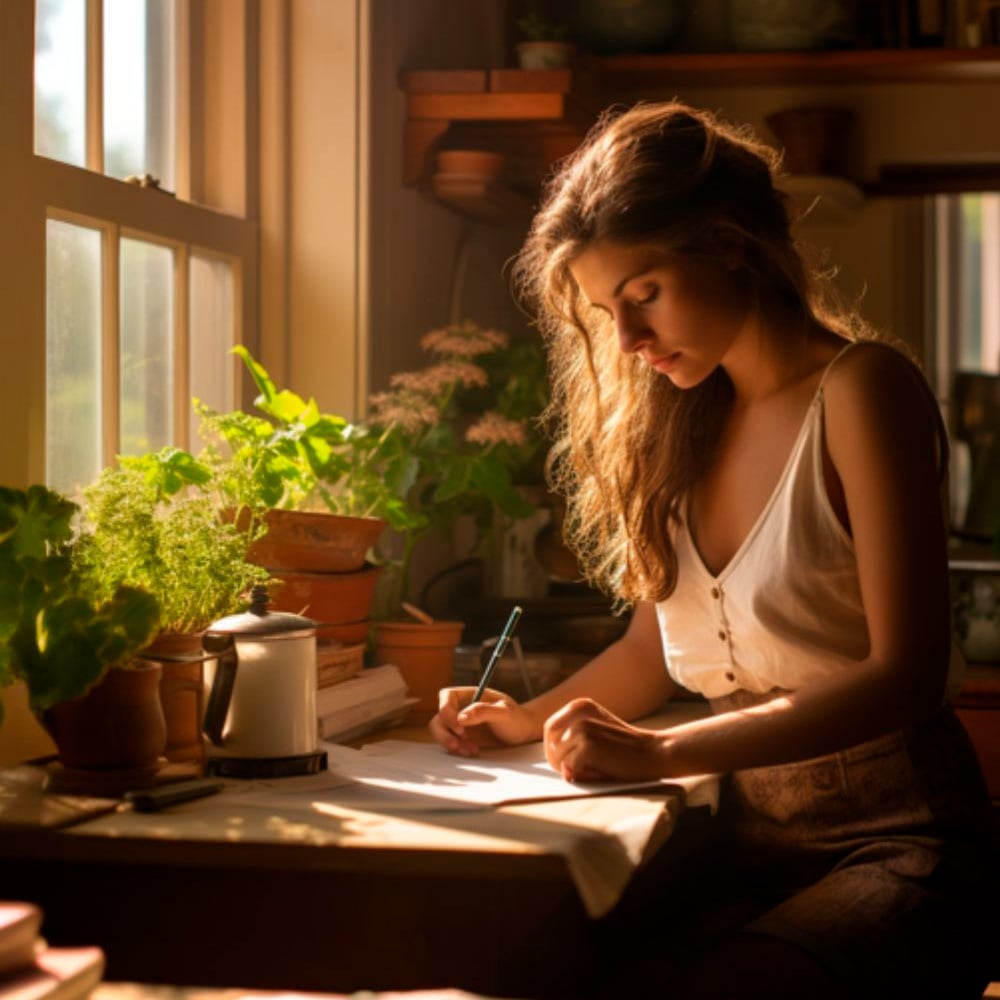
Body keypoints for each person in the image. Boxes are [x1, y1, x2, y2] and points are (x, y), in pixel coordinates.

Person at [429, 102, 996, 999]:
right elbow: (651, 653)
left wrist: (661, 757)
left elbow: (909, 673)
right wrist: (524, 720)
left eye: (643, 293)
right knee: (531, 960)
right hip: (745, 846)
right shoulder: (683, 430)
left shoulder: (861, 391)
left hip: (902, 841)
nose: (627, 339)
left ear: (730, 244)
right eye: (608, 311)